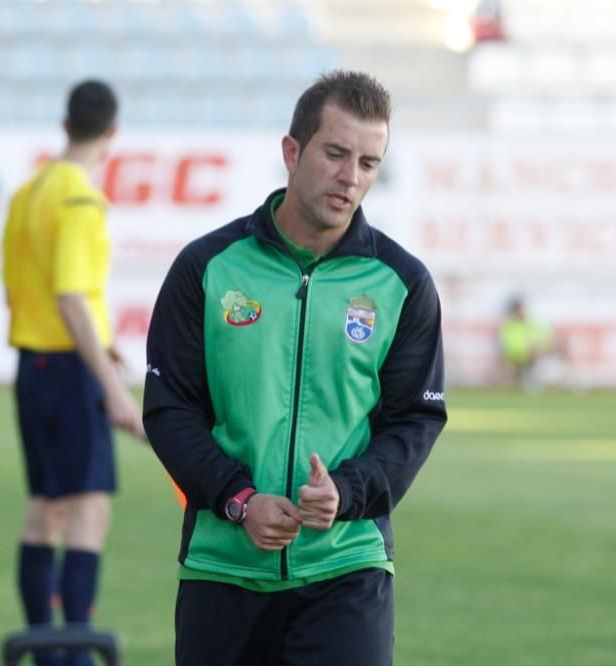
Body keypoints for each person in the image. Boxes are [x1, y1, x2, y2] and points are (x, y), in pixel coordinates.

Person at [142, 70, 447, 666]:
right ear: (292, 151)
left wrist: (348, 491)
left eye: (368, 162)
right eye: (335, 153)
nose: (349, 177)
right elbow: (169, 408)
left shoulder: (403, 284)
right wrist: (238, 499)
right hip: (222, 568)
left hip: (346, 567)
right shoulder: (207, 268)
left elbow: (415, 420)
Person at [1, 79, 144, 666]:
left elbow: (29, 290)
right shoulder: (80, 200)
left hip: (33, 366)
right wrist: (112, 389)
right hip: (67, 369)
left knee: (46, 508)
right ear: (111, 134)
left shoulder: (28, 192)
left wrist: (103, 348)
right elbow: (71, 298)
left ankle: (44, 644)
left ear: (65, 126)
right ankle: (76, 652)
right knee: (89, 508)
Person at [498, 294, 568, 391]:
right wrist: (528, 352)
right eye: (519, 309)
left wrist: (542, 348)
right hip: (522, 361)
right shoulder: (510, 327)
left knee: (558, 352)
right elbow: (511, 349)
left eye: (522, 308)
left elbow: (547, 339)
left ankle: (557, 387)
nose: (522, 311)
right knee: (532, 365)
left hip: (539, 355)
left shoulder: (533, 322)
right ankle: (533, 385)